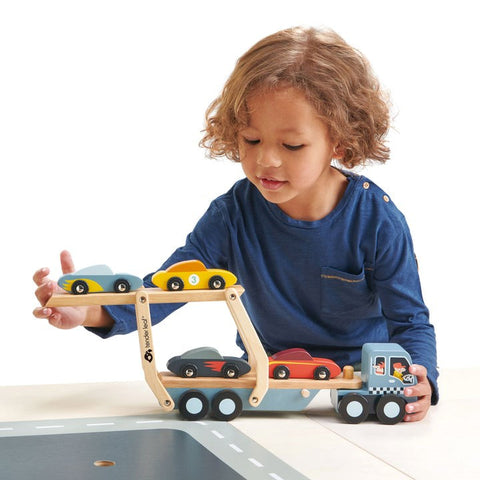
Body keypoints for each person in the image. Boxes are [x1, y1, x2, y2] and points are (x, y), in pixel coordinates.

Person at [33, 26, 438, 422]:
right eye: (251, 140)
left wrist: (421, 377)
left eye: (292, 145)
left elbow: (410, 320)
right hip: (267, 390)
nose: (266, 161)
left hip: (354, 388)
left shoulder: (377, 219)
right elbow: (167, 288)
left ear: (341, 141)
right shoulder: (233, 214)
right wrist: (89, 312)